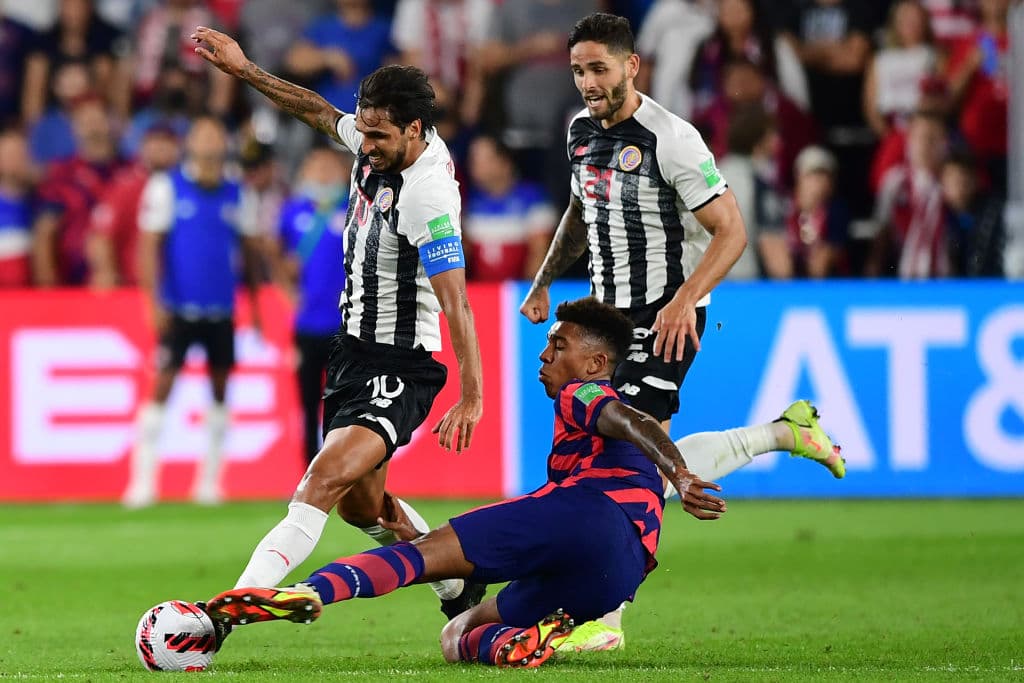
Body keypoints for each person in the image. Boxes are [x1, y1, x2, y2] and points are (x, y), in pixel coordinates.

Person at [519, 12, 844, 652]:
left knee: (628, 458)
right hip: (604, 320)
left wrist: (685, 299)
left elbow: (733, 231)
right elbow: (583, 211)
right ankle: (785, 431)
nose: (587, 82)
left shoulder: (673, 139)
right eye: (579, 69)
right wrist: (543, 280)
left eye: (599, 68)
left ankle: (605, 620)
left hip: (668, 316)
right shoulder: (580, 131)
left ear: (631, 65)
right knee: (628, 462)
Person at [202, 297, 729, 669]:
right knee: (458, 634)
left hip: (585, 515)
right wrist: (672, 477)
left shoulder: (586, 393)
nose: (544, 356)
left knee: (423, 556)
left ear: (595, 363)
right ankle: (516, 643)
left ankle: (307, 592)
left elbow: (627, 420)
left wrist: (678, 473)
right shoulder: (598, 409)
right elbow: (633, 425)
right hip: (620, 576)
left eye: (558, 345)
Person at [190, 26, 487, 619]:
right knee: (362, 508)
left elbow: (456, 301)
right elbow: (318, 111)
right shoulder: (376, 138)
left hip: (402, 364)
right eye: (364, 130)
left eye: (378, 136)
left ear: (415, 130)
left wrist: (471, 396)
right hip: (352, 353)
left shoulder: (428, 196)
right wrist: (246, 71)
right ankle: (459, 588)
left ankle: (226, 610)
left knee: (320, 481)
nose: (365, 145)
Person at [122, 117, 262, 508]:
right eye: (201, 134)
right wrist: (152, 301)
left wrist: (254, 307)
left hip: (221, 310)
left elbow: (249, 255)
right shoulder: (167, 186)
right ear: (190, 143)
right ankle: (143, 481)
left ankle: (209, 483)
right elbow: (149, 246)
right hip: (180, 308)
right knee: (162, 385)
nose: (209, 142)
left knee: (220, 391)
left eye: (216, 134)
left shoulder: (239, 193)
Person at [271, 146, 351, 464]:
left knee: (342, 402)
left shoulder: (352, 210)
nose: (323, 174)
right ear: (304, 172)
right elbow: (275, 255)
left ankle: (339, 468)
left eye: (329, 167)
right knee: (307, 403)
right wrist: (287, 290)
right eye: (316, 167)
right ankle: (310, 471)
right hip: (306, 326)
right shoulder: (292, 211)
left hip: (344, 325)